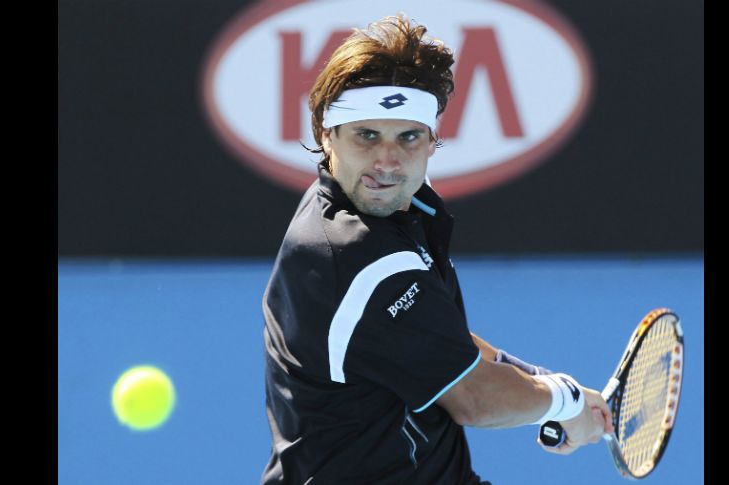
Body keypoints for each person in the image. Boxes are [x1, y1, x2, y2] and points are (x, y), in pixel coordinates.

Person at [260, 14, 614, 485]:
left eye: (408, 137)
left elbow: (438, 339)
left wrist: (539, 381)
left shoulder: (383, 206)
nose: (387, 161)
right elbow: (475, 399)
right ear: (329, 136)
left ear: (432, 142)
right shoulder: (359, 259)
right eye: (367, 135)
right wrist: (563, 398)